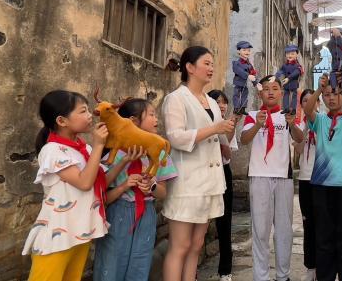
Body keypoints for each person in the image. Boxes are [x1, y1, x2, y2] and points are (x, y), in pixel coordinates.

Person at [161, 46, 237, 281]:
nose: (211, 68)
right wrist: (215, 128)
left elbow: (219, 139)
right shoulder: (175, 99)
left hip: (211, 184)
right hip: (188, 184)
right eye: (206, 63)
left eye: (212, 63)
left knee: (196, 244)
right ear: (190, 68)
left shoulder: (212, 103)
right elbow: (176, 137)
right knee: (180, 246)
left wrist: (228, 128)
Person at [23, 90, 109, 281]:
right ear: (62, 121)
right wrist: (98, 146)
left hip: (80, 232)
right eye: (83, 111)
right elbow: (85, 183)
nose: (90, 116)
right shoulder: (51, 151)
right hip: (57, 236)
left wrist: (125, 160)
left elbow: (100, 183)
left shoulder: (83, 148)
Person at [93, 98, 178, 281]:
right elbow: (102, 197)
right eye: (152, 115)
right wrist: (124, 186)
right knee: (111, 264)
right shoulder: (112, 154)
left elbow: (163, 193)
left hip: (146, 214)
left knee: (140, 263)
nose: (157, 119)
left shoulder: (159, 151)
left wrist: (152, 186)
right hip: (117, 214)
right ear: (133, 121)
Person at [240, 75, 304, 281]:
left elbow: (299, 139)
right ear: (260, 93)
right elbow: (244, 139)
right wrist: (258, 124)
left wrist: (292, 124)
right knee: (260, 229)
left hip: (283, 177)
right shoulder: (252, 115)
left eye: (275, 88)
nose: (270, 92)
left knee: (284, 229)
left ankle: (283, 275)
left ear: (282, 93)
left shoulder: (289, 115)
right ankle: (261, 276)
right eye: (266, 88)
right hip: (259, 176)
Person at [302, 74, 342, 281]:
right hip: (321, 184)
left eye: (335, 94)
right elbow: (307, 110)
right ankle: (325, 276)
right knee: (324, 236)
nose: (331, 98)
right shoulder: (320, 121)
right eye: (327, 95)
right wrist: (319, 88)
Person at [208, 89, 241, 281]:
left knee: (225, 221)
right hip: (205, 172)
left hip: (223, 171)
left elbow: (227, 155)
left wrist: (228, 131)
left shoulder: (228, 125)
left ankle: (225, 270)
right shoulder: (203, 123)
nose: (222, 105)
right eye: (218, 102)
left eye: (224, 102)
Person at [295, 89, 320, 281]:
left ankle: (324, 265)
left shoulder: (325, 122)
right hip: (305, 179)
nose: (308, 103)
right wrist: (305, 128)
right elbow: (298, 150)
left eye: (312, 100)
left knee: (324, 225)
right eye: (305, 101)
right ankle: (310, 266)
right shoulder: (298, 125)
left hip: (322, 179)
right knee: (308, 224)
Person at [275, 44, 304, 115]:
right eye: (288, 53)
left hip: (293, 82)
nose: (290, 55)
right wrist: (275, 76)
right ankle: (286, 108)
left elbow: (296, 72)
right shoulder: (285, 65)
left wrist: (288, 78)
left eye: (292, 53)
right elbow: (281, 71)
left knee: (294, 96)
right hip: (286, 83)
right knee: (285, 95)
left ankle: (293, 109)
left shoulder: (298, 66)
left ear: (296, 54)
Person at [232, 41, 258, 115]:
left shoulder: (249, 64)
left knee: (244, 95)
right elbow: (238, 71)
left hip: (244, 83)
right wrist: (247, 75)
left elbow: (253, 73)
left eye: (248, 50)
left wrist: (256, 83)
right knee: (236, 95)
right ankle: (236, 108)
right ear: (238, 51)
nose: (247, 52)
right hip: (237, 82)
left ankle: (242, 108)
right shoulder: (236, 63)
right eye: (244, 50)